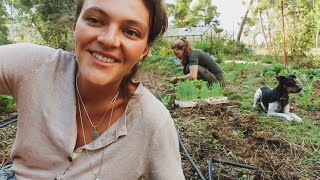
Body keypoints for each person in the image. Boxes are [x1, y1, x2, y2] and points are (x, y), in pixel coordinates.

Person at [0, 0, 185, 179]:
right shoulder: (36, 67)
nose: (109, 40)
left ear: (144, 49)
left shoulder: (153, 122)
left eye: (131, 32)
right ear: (75, 26)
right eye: (95, 20)